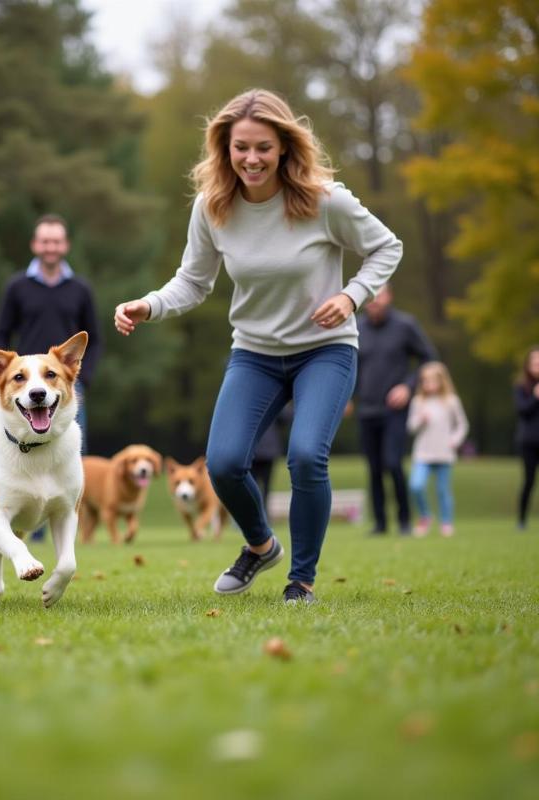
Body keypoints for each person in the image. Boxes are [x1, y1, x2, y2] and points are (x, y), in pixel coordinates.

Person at [114, 88, 402, 604]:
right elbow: (193, 281)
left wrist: (352, 296)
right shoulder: (213, 206)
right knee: (223, 463)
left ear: (285, 147)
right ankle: (260, 546)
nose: (251, 159)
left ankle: (302, 580)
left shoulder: (324, 200)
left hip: (325, 349)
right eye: (240, 147)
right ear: (224, 148)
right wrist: (148, 305)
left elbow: (386, 246)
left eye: (264, 147)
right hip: (255, 353)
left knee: (306, 456)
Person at [0, 214, 101, 541]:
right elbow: (1, 331)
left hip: (64, 386)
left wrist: (84, 379)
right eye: (44, 241)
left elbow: (93, 337)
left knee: (70, 455)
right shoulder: (17, 287)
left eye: (56, 241)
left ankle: (65, 528)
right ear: (35, 245)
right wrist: (8, 378)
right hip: (25, 388)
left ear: (64, 245)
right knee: (24, 453)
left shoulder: (80, 289)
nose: (50, 247)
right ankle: (30, 532)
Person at [355, 283, 437, 535]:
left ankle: (404, 520)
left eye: (379, 295)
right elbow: (346, 363)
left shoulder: (405, 325)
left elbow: (430, 357)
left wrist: (408, 386)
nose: (374, 301)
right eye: (370, 296)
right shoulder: (355, 327)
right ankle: (380, 523)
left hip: (395, 410)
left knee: (393, 462)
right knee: (374, 467)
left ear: (389, 296)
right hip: (366, 409)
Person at [406, 361, 469, 537]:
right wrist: (420, 420)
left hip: (444, 453)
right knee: (416, 486)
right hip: (423, 453)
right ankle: (425, 516)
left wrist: (455, 440)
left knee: (443, 490)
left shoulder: (451, 401)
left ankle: (446, 522)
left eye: (432, 381)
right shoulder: (418, 402)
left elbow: (462, 425)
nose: (429, 385)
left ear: (442, 381)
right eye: (425, 381)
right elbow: (411, 427)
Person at [515, 346, 539, 530]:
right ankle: (522, 520)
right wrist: (535, 397)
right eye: (534, 361)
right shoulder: (521, 387)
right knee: (529, 481)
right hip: (529, 441)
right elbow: (522, 411)